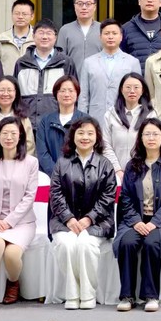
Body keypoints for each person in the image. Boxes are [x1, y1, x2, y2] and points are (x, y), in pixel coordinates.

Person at [113, 118, 161, 313]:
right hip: (135, 220)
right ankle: (127, 296)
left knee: (152, 243)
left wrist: (154, 223)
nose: (151, 138)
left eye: (155, 134)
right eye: (147, 134)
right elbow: (125, 198)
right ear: (141, 138)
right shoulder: (132, 166)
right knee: (127, 242)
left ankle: (151, 296)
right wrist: (136, 222)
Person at [49, 116, 117, 310]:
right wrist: (69, 218)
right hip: (64, 221)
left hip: (98, 222)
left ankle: (88, 294)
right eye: (80, 133)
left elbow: (108, 197)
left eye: (89, 133)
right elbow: (56, 194)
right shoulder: (62, 163)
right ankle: (72, 293)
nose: (85, 137)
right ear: (73, 136)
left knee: (86, 244)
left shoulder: (105, 164)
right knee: (66, 244)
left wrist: (89, 218)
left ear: (97, 137)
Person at [0, 117, 39, 311]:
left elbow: (29, 196)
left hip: (22, 223)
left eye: (13, 133)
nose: (9, 137)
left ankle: (13, 283)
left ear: (20, 136)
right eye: (5, 133)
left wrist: (10, 221)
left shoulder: (31, 162)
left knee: (12, 255)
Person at [78, 19, 142, 127]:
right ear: (100, 37)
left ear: (121, 37)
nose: (110, 37)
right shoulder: (89, 62)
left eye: (114, 33)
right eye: (107, 33)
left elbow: (138, 94)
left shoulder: (132, 62)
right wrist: (82, 121)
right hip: (96, 119)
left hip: (124, 119)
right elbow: (83, 96)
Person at [14, 19, 77, 122]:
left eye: (49, 33)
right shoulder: (21, 63)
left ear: (55, 37)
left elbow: (74, 94)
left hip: (57, 123)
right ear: (33, 36)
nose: (44, 37)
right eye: (41, 33)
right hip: (27, 122)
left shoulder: (66, 63)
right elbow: (15, 95)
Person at [102, 72, 157, 180]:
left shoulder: (150, 115)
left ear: (142, 90)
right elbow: (105, 145)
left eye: (136, 87)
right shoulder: (110, 115)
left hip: (143, 173)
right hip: (115, 175)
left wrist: (140, 169)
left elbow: (153, 144)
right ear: (121, 90)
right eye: (128, 87)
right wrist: (117, 170)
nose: (132, 91)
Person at [36, 76, 86, 175]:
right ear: (56, 94)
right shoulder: (45, 121)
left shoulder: (85, 120)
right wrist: (56, 174)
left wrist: (72, 175)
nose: (66, 94)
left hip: (79, 176)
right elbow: (42, 153)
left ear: (77, 93)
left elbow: (88, 151)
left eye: (71, 91)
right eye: (62, 91)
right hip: (50, 176)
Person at [122, 0, 161, 74]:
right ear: (139, 1)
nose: (149, 0)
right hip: (136, 80)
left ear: (160, 2)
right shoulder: (126, 28)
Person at [56, 0, 103, 75]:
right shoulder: (65, 30)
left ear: (95, 7)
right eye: (80, 4)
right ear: (74, 6)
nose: (84, 7)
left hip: (98, 80)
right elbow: (60, 59)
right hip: (72, 81)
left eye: (88, 4)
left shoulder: (103, 29)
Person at [0, 0, 35, 77]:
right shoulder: (1, 39)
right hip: (7, 83)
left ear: (32, 16)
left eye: (24, 14)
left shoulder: (37, 39)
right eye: (17, 13)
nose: (20, 17)